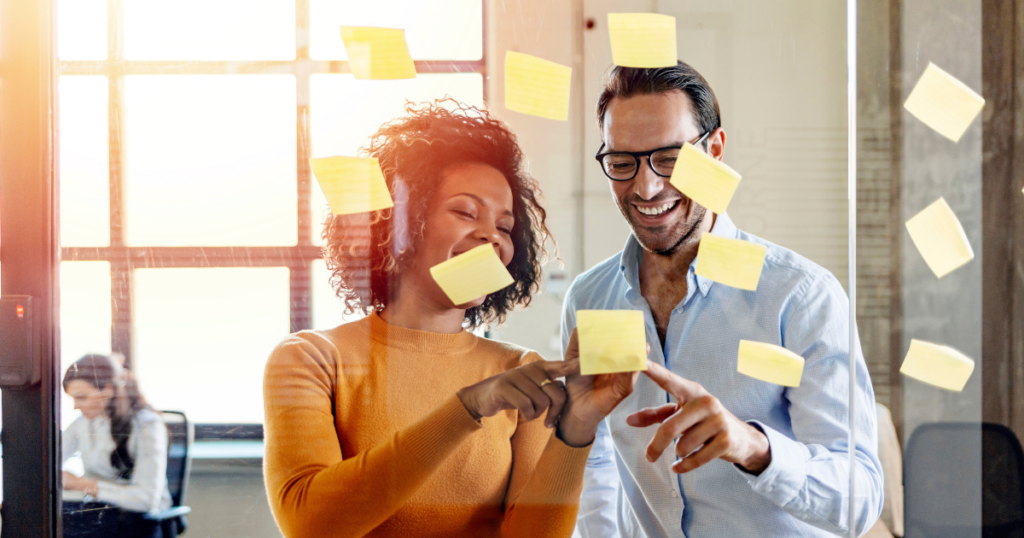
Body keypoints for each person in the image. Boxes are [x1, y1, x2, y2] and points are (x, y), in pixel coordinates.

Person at [263, 100, 637, 538]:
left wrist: (576, 430)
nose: (491, 236)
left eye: (504, 227)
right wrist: (468, 408)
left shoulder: (519, 371)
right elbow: (310, 523)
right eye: (464, 212)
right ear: (400, 224)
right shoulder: (311, 359)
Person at [564, 62, 884, 537]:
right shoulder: (591, 298)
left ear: (714, 152)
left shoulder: (798, 296)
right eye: (622, 162)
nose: (646, 187)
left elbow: (860, 500)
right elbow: (597, 462)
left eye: (670, 158)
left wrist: (753, 448)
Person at [61, 354, 171, 538]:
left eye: (82, 397)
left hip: (138, 522)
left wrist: (82, 484)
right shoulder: (83, 423)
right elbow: (49, 459)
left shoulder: (147, 426)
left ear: (109, 390)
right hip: (103, 516)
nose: (75, 406)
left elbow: (145, 500)